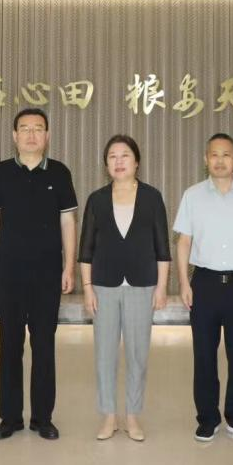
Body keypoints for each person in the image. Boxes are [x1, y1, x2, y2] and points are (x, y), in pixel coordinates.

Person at [0, 108, 78, 440]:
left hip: (47, 274)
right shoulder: (0, 173)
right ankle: (10, 418)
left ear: (47, 136)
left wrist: (68, 266)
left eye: (38, 128)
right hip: (8, 273)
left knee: (44, 345)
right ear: (14, 135)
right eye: (25, 128)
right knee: (10, 345)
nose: (31, 134)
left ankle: (42, 418)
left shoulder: (60, 173)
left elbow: (68, 222)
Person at [174, 133, 233, 443]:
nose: (220, 160)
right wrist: (183, 282)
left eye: (226, 155)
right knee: (204, 356)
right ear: (206, 160)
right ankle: (207, 418)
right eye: (214, 155)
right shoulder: (192, 195)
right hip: (204, 283)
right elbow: (184, 241)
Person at [79, 134, 171, 442]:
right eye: (112, 157)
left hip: (141, 284)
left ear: (137, 161)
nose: (119, 162)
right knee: (104, 354)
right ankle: (108, 415)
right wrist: (87, 288)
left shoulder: (152, 197)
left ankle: (132, 415)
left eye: (125, 155)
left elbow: (162, 247)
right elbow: (86, 249)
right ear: (106, 164)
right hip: (103, 286)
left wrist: (161, 287)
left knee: (137, 353)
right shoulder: (97, 199)